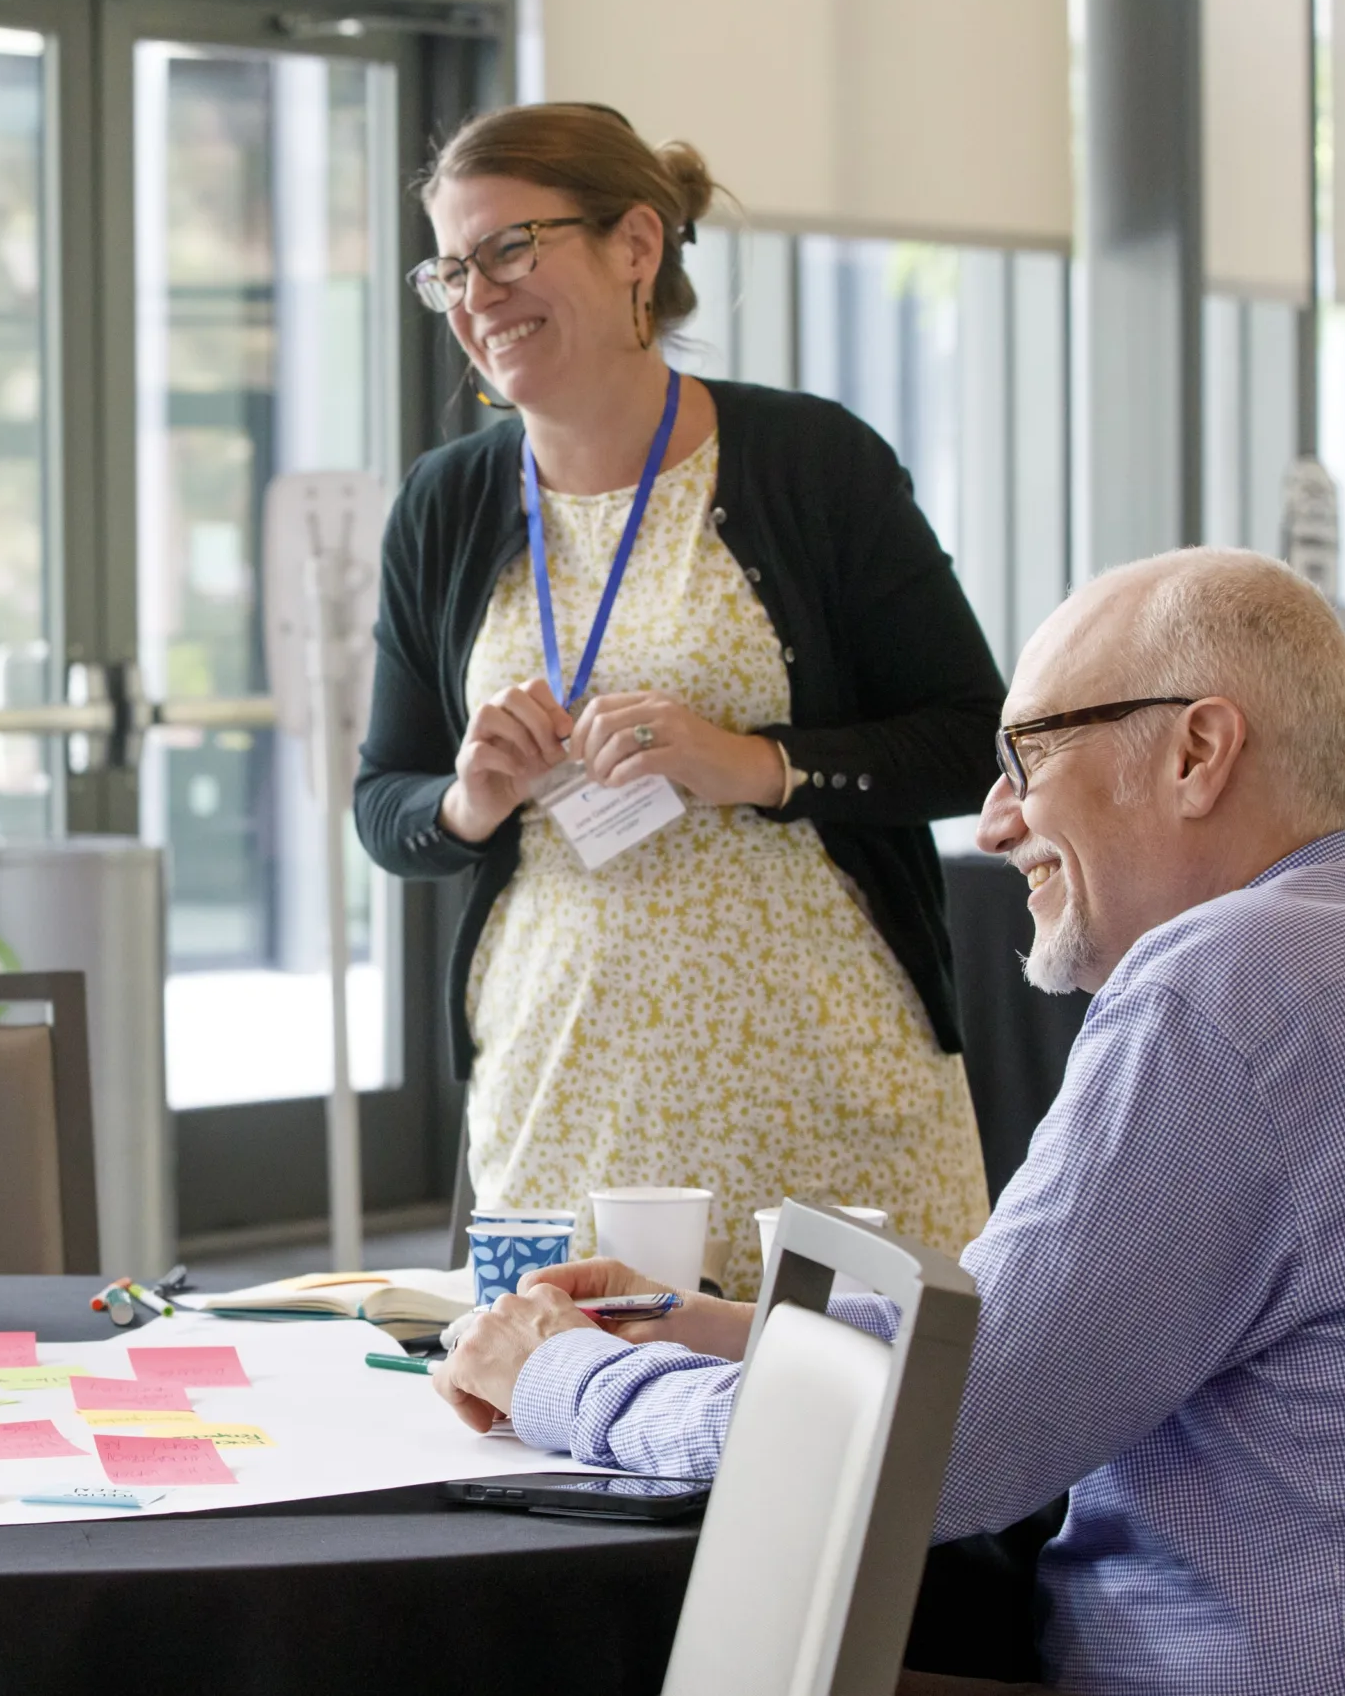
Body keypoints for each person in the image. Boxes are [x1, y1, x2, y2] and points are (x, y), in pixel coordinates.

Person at [437, 548, 1345, 1693]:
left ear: (1197, 754)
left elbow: (926, 1453)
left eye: (1028, 756)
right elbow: (1046, 1340)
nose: (996, 822)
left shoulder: (1216, 987)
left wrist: (558, 1377)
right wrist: (724, 1327)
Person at [355, 103, 1005, 1294]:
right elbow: (381, 804)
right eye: (450, 267)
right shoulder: (443, 504)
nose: (476, 295)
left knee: (866, 1451)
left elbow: (974, 741)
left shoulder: (812, 464)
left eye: (511, 249)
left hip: (829, 1086)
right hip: (566, 1090)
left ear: (636, 248)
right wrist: (465, 798)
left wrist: (755, 764)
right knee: (572, 1437)